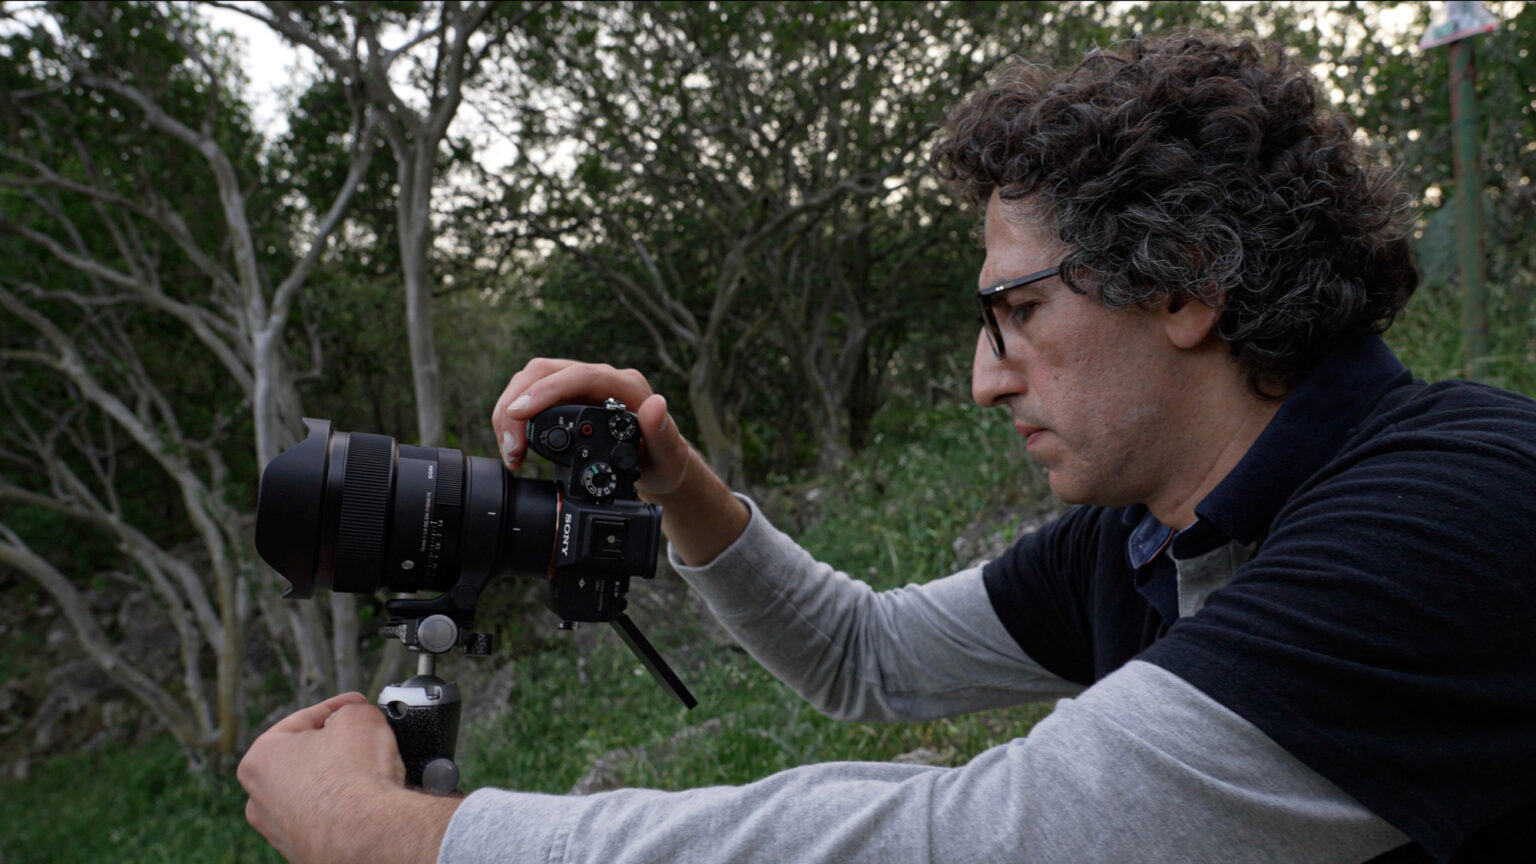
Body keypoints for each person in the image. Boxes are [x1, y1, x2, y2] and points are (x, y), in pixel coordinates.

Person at [238, 32, 1536, 863]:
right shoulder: (1145, 537)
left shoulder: (1447, 516)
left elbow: (988, 838)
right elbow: (868, 655)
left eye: (1020, 313)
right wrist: (675, 478)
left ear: (1187, 284)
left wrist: (396, 839)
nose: (985, 380)